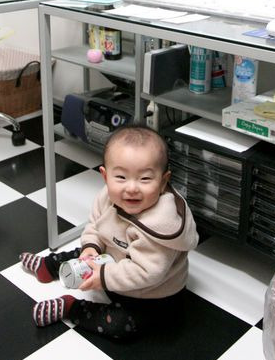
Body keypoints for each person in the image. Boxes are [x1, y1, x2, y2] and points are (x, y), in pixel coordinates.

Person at [20, 124, 199, 340]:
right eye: (121, 177)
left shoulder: (161, 223)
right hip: (111, 264)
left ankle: (71, 308)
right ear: (105, 176)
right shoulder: (107, 196)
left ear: (163, 181)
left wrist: (103, 276)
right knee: (83, 251)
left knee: (121, 326)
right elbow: (95, 226)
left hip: (151, 294)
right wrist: (90, 249)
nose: (131, 188)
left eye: (145, 179)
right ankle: (48, 266)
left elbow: (146, 272)